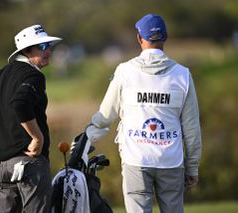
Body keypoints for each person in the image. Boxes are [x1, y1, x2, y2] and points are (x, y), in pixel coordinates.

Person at [85, 14, 202, 213]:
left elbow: (105, 115)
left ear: (139, 38)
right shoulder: (183, 75)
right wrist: (192, 167)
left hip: (136, 159)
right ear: (165, 37)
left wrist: (86, 138)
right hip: (171, 161)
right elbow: (191, 129)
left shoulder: (124, 71)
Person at [0, 24, 62, 212]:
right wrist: (37, 137)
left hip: (3, 167)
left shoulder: (0, 75)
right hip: (29, 165)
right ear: (26, 50)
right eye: (42, 46)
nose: (48, 51)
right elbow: (20, 104)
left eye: (49, 45)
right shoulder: (34, 76)